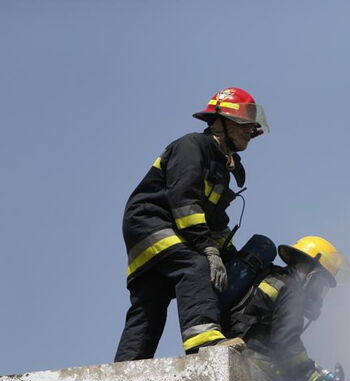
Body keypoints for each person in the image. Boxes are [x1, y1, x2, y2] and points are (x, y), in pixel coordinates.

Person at [114, 87, 269, 361]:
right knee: (194, 266)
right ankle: (204, 345)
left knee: (149, 305)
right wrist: (208, 251)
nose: (250, 131)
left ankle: (125, 368)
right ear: (221, 121)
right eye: (244, 124)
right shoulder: (192, 146)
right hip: (151, 223)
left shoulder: (222, 167)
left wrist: (230, 256)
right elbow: (185, 202)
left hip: (164, 233)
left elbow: (215, 221)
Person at [223, 236, 350, 381]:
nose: (319, 293)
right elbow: (286, 342)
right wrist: (312, 378)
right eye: (321, 284)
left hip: (244, 346)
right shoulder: (293, 290)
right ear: (312, 274)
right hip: (253, 357)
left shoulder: (273, 277)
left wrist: (313, 369)